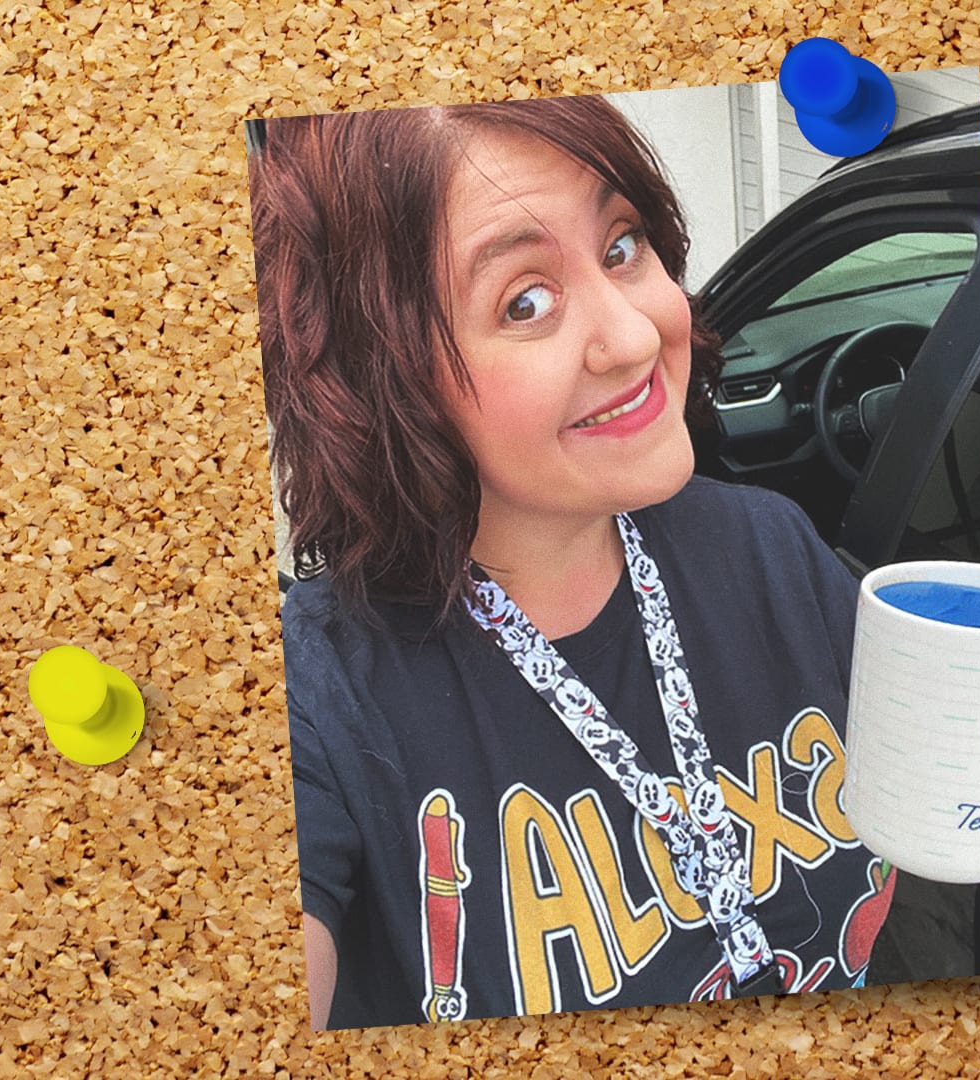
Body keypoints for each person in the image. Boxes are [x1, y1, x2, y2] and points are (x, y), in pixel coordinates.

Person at [248, 97, 897, 1031]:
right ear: (386, 383)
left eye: (623, 245)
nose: (635, 337)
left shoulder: (773, 549)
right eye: (526, 301)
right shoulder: (314, 695)